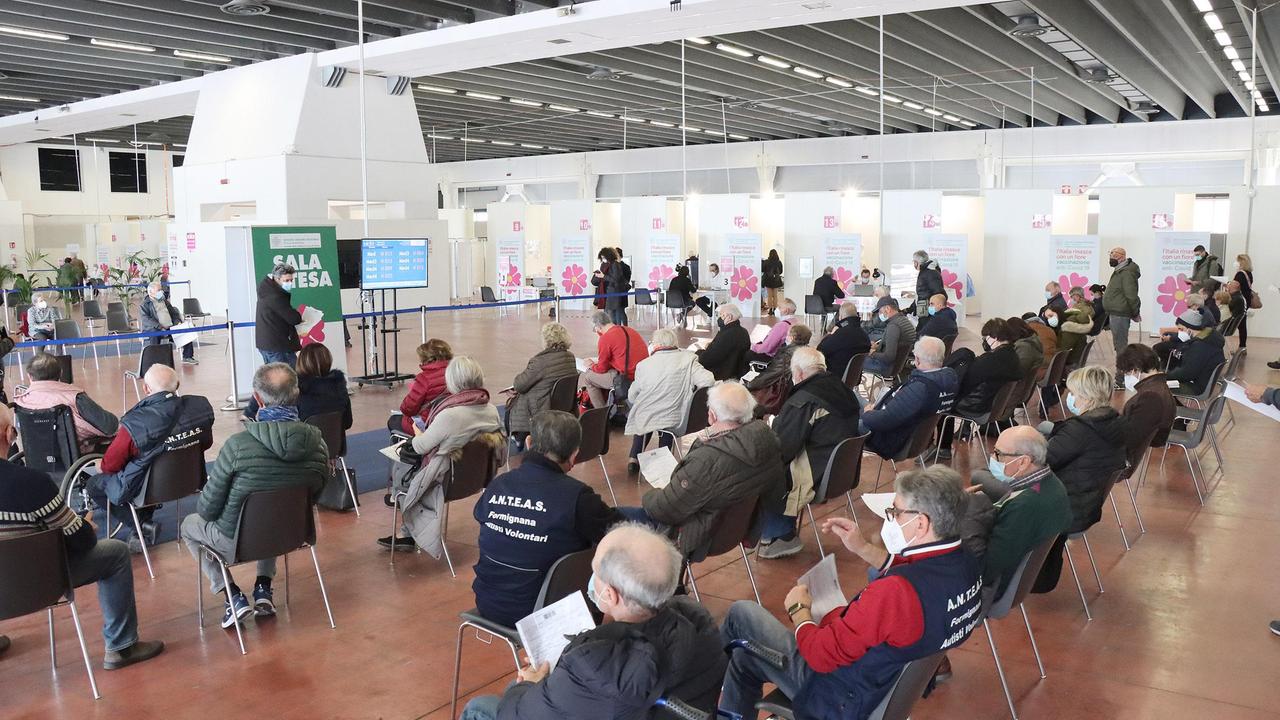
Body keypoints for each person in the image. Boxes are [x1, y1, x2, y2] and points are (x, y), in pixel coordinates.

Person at [719, 467, 982, 720]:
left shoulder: (894, 593)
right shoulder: (966, 563)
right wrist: (861, 547)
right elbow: (917, 572)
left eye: (896, 512)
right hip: (889, 685)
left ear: (921, 523)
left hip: (842, 691)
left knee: (741, 613)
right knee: (744, 659)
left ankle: (694, 686)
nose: (890, 518)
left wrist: (799, 611)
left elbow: (820, 656)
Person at [460, 524, 727, 720]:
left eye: (595, 572)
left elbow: (515, 715)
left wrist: (528, 685)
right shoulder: (700, 623)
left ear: (610, 594)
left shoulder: (594, 668)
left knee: (480, 707)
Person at [0, 405, 166, 670]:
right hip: (40, 584)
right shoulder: (33, 483)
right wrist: (85, 525)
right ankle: (121, 648)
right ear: (10, 434)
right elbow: (80, 540)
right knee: (116, 553)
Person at [180, 363, 329, 627]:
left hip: (237, 542)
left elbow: (207, 510)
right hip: (293, 533)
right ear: (296, 395)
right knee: (272, 511)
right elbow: (315, 494)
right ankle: (263, 587)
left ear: (258, 399)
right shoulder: (318, 443)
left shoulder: (237, 446)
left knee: (189, 526)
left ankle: (231, 595)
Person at [471, 410, 621, 627]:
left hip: (490, 602)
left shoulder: (498, 485)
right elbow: (616, 529)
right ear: (574, 454)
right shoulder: (577, 497)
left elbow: (481, 515)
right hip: (546, 612)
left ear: (529, 442)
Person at [632, 383, 785, 561]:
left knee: (616, 518)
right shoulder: (766, 440)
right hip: (736, 531)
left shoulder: (706, 460)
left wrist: (649, 496)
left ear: (712, 415)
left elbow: (665, 509)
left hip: (697, 537)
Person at [381, 357, 508, 552]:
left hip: (445, 483)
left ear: (453, 381)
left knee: (401, 466)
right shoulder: (491, 410)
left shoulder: (450, 415)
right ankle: (408, 531)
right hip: (477, 478)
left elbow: (421, 446)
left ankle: (406, 532)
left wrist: (416, 436)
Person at [96, 364, 214, 552]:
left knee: (95, 484)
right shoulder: (200, 407)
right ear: (177, 384)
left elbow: (110, 465)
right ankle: (143, 521)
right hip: (189, 479)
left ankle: (140, 525)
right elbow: (205, 443)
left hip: (148, 488)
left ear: (146, 388)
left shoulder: (135, 422)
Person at [758, 348, 860, 559]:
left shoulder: (804, 400)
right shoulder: (843, 390)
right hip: (837, 468)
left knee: (764, 468)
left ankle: (781, 535)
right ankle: (772, 528)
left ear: (799, 373)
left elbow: (783, 446)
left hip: (815, 470)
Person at [1036, 366, 1128, 591]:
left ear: (1086, 397)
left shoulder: (1081, 430)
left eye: (1073, 393)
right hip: (1086, 502)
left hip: (1065, 507)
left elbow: (1040, 461)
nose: (1070, 397)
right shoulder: (1114, 421)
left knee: (995, 483)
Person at [969, 426, 1072, 595]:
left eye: (998, 454)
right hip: (1030, 575)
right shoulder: (1052, 483)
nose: (992, 458)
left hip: (993, 588)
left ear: (1023, 462)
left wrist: (969, 515)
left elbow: (985, 571)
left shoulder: (1024, 506)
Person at [625, 328, 716, 467]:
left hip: (649, 416)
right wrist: (691, 391)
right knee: (667, 418)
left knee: (644, 414)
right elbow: (708, 380)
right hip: (678, 418)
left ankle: (634, 457)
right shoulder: (688, 359)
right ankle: (664, 460)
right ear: (675, 342)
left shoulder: (644, 365)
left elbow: (632, 396)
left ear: (655, 345)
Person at [934, 319, 1022, 460]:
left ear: (996, 338)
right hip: (993, 407)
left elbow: (967, 383)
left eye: (986, 337)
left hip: (978, 407)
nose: (984, 341)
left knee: (942, 404)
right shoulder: (1013, 357)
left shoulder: (991, 361)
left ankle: (942, 447)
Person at [862, 337, 958, 459]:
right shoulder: (947, 380)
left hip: (886, 438)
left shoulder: (920, 388)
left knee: (842, 422)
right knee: (851, 399)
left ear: (917, 360)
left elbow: (885, 420)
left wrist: (867, 414)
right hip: (909, 434)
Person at [14, 351, 118, 454]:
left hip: (38, 458)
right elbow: (109, 426)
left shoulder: (21, 401)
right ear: (61, 373)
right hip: (76, 457)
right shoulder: (74, 397)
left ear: (29, 376)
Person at [243, 343, 352, 440]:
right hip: (334, 447)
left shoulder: (295, 393)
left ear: (301, 362)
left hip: (302, 449)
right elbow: (347, 423)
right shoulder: (340, 390)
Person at [505, 323, 577, 448]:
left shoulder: (539, 362)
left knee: (515, 400)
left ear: (546, 340)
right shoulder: (570, 357)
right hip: (564, 404)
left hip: (544, 406)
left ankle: (519, 435)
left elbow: (519, 385)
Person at [1116, 343, 1177, 456]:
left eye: (1127, 373)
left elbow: (1133, 437)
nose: (1126, 379)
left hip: (1134, 449)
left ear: (1136, 369)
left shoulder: (1150, 397)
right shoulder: (1156, 386)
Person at [581, 310, 648, 410]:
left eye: (595, 330)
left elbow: (601, 368)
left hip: (627, 377)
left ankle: (601, 412)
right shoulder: (628, 330)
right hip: (642, 372)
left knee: (588, 378)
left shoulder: (606, 338)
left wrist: (591, 365)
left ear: (598, 327)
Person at [393, 339, 453, 434]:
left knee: (393, 421)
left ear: (426, 358)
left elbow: (408, 409)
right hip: (452, 422)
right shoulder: (457, 372)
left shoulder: (424, 379)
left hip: (429, 425)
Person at [1165, 309, 1226, 396]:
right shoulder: (1209, 338)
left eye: (1181, 329)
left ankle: (1173, 408)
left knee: (1156, 386)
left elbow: (1187, 373)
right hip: (1201, 382)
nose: (1180, 332)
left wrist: (1164, 376)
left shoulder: (1200, 346)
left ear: (1190, 329)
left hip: (1195, 387)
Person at [1103, 247, 1141, 380]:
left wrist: (1135, 312)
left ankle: (1121, 378)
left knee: (1120, 346)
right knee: (1118, 345)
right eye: (1110, 253)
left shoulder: (1127, 272)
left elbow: (1131, 295)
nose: (1110, 256)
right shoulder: (1120, 271)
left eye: (1113, 254)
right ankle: (1122, 375)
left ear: (1122, 256)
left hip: (1120, 314)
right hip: (1115, 313)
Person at [255, 262, 302, 366]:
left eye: (291, 280)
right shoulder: (274, 295)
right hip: (276, 346)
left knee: (276, 377)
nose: (289, 283)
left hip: (269, 343)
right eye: (286, 280)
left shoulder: (267, 288)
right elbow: (294, 318)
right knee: (286, 378)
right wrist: (297, 314)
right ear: (277, 279)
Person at [139, 281, 197, 365]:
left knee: (185, 331)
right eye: (158, 290)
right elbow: (146, 319)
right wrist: (159, 326)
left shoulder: (164, 301)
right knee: (155, 334)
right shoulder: (144, 304)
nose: (161, 292)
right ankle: (156, 360)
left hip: (170, 327)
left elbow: (174, 313)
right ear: (151, 292)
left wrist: (177, 322)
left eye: (161, 290)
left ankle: (187, 356)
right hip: (154, 328)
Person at [817, 301, 871, 383]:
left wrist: (831, 335)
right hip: (854, 378)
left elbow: (820, 350)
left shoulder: (841, 334)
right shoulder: (864, 335)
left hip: (835, 376)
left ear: (841, 317)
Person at [864, 297, 916, 378]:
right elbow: (896, 346)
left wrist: (872, 353)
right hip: (897, 367)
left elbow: (889, 357)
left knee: (853, 361)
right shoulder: (904, 321)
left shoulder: (893, 326)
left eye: (880, 311)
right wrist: (878, 347)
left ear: (887, 308)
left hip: (886, 367)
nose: (879, 315)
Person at [697, 303, 751, 380]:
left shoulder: (727, 334)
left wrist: (699, 353)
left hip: (721, 374)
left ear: (729, 317)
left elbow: (705, 360)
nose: (719, 318)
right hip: (736, 370)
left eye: (721, 315)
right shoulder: (743, 331)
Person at [746, 297, 796, 363]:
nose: (777, 309)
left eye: (780, 307)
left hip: (773, 357)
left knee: (745, 354)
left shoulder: (781, 326)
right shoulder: (796, 322)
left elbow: (767, 348)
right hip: (790, 356)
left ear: (786, 310)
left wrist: (753, 347)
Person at [594, 247, 630, 327]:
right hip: (607, 292)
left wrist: (603, 276)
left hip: (614, 293)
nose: (603, 259)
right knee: (609, 313)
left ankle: (616, 330)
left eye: (604, 257)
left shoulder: (615, 264)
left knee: (613, 314)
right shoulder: (606, 265)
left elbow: (616, 279)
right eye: (602, 257)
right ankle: (611, 330)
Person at [913, 250, 945, 319]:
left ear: (917, 262)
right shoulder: (924, 272)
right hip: (924, 310)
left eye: (914, 261)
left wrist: (933, 309)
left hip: (928, 312)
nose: (913, 264)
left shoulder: (930, 273)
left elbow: (939, 293)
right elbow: (922, 293)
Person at [1233, 253, 1255, 349]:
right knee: (1242, 324)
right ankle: (1242, 346)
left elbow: (1235, 286)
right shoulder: (1249, 273)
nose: (1236, 263)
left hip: (1240, 301)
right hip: (1247, 300)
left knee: (1240, 324)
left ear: (1242, 262)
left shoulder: (1240, 274)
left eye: (1237, 261)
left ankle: (1242, 346)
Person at [762, 249, 784, 316]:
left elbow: (763, 270)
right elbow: (781, 271)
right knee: (775, 296)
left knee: (769, 296)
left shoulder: (766, 261)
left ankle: (770, 310)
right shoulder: (779, 262)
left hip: (768, 280)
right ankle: (775, 309)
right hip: (776, 280)